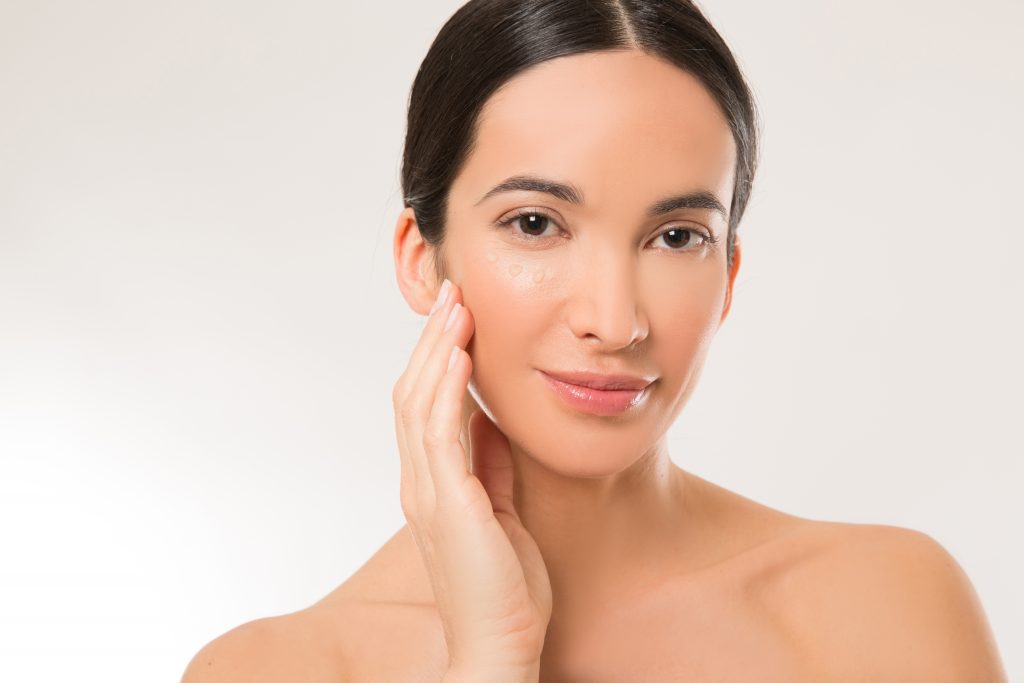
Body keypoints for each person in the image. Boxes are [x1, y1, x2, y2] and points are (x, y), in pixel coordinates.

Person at [182, 1, 1008, 680]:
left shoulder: (891, 609)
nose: (614, 322)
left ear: (729, 274)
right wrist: (492, 659)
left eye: (677, 237)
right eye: (535, 223)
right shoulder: (271, 669)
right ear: (421, 261)